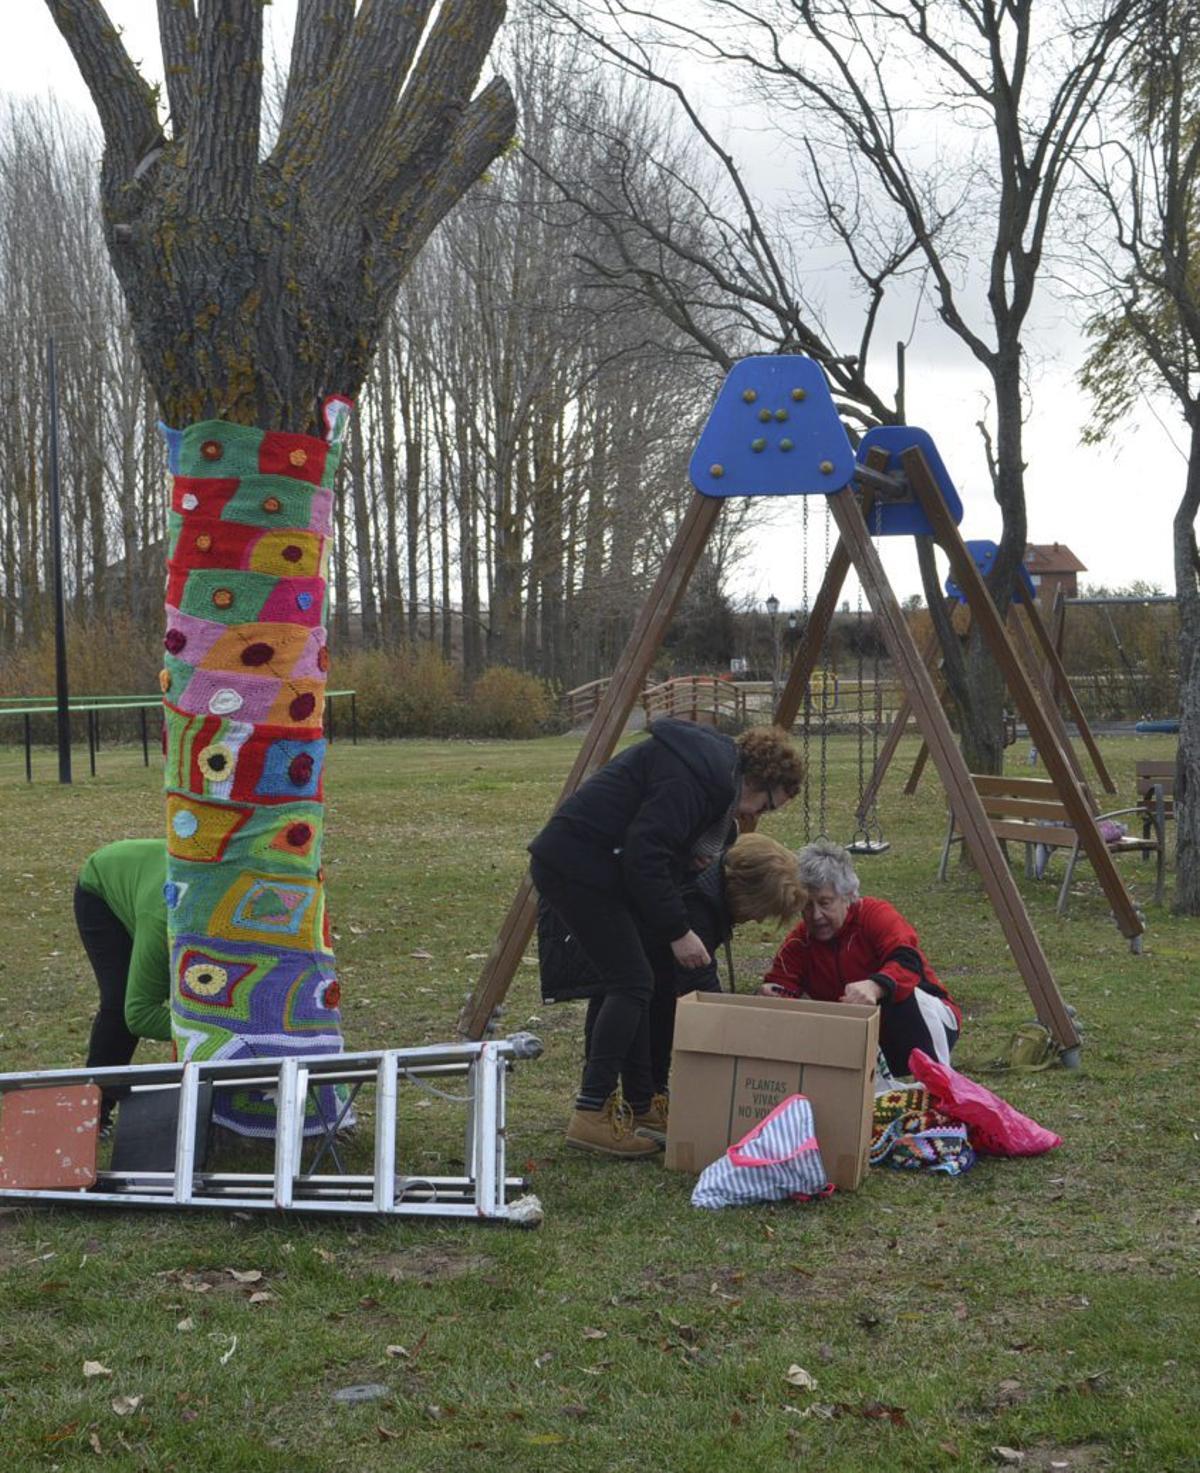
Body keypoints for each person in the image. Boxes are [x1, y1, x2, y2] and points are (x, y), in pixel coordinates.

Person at [529, 719, 804, 1157]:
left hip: (596, 866)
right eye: (766, 806)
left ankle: (639, 1104)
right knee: (631, 981)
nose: (754, 816)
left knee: (634, 980)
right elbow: (645, 854)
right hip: (575, 866)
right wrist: (678, 931)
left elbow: (653, 845)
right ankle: (591, 1112)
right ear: (759, 781)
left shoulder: (710, 777)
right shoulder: (700, 779)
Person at [759, 838, 960, 1076]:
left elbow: (908, 960)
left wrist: (875, 986)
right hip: (860, 1038)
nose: (816, 915)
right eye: (806, 906)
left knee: (908, 994)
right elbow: (780, 983)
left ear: (847, 896)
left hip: (921, 1023)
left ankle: (941, 1082)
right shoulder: (799, 943)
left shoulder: (875, 915)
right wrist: (772, 994)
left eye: (825, 903)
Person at [75, 838, 171, 1129]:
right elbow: (139, 1013)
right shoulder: (160, 920)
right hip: (101, 888)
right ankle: (94, 1113)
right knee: (118, 1002)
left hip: (146, 880)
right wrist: (205, 1030)